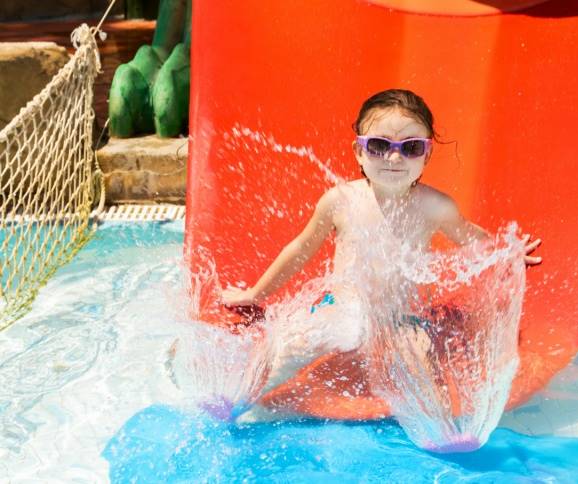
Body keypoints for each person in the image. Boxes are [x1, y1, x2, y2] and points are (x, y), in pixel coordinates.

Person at [220, 88, 541, 399]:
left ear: (427, 153)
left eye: (411, 147)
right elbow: (299, 250)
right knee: (295, 346)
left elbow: (470, 238)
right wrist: (255, 294)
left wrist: (506, 252)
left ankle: (431, 432)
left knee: (419, 366)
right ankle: (250, 401)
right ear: (359, 151)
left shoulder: (434, 207)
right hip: (340, 308)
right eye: (378, 145)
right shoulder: (340, 200)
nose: (394, 157)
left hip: (404, 319)